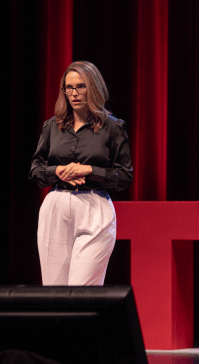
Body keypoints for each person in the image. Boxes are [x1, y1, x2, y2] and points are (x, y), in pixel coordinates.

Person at [29, 61, 132, 286]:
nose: (74, 93)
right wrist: (57, 171)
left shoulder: (113, 128)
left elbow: (124, 176)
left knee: (82, 290)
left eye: (80, 87)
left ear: (93, 88)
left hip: (94, 207)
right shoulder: (52, 127)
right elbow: (35, 171)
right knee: (54, 291)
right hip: (56, 205)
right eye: (69, 88)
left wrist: (90, 170)